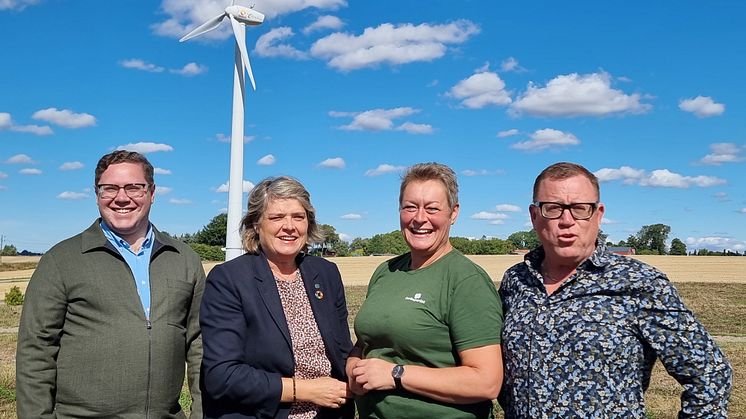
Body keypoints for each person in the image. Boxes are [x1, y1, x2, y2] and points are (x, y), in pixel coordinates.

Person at [498, 162, 733, 418]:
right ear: (534, 216)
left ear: (598, 214)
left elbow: (709, 373)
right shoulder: (516, 281)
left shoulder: (639, 282)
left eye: (579, 209)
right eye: (553, 208)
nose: (567, 221)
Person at [16, 150, 205, 418]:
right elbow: (36, 351)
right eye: (109, 188)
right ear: (97, 194)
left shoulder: (184, 259)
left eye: (134, 187)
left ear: (152, 192)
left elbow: (199, 346)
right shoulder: (62, 260)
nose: (121, 197)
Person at [347, 162, 503, 419]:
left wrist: (396, 375)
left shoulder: (466, 281)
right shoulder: (386, 271)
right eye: (410, 207)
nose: (420, 218)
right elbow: (369, 340)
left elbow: (486, 381)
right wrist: (353, 363)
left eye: (432, 208)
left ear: (453, 213)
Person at [200, 176, 354, 419]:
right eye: (276, 217)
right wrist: (306, 390)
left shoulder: (326, 273)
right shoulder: (229, 280)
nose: (289, 226)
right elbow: (222, 376)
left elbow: (343, 351)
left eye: (298, 216)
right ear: (256, 225)